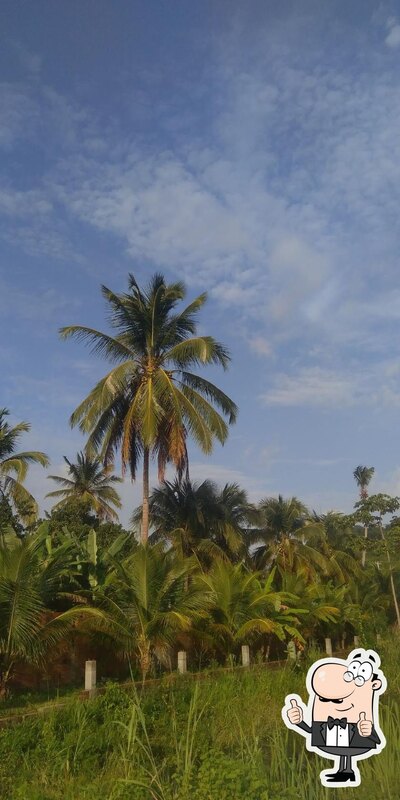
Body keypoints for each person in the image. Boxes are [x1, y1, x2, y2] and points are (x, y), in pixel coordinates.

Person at [282, 648, 386, 787]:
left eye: (339, 700)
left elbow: (376, 739)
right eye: (324, 700)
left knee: (347, 750)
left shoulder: (360, 720)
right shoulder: (324, 722)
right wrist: (298, 721)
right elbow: (312, 731)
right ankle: (344, 771)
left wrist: (368, 732)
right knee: (343, 751)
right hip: (334, 742)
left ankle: (347, 771)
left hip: (356, 742)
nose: (334, 704)